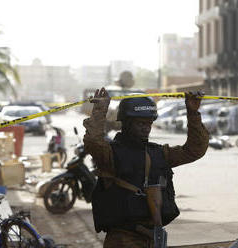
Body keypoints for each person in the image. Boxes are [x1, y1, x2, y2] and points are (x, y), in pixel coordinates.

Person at [83, 87, 209, 248]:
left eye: (149, 123)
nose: (146, 128)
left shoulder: (158, 152)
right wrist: (100, 110)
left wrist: (193, 114)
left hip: (153, 238)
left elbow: (194, 150)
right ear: (126, 123)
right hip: (123, 240)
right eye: (141, 123)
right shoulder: (111, 154)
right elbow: (93, 142)